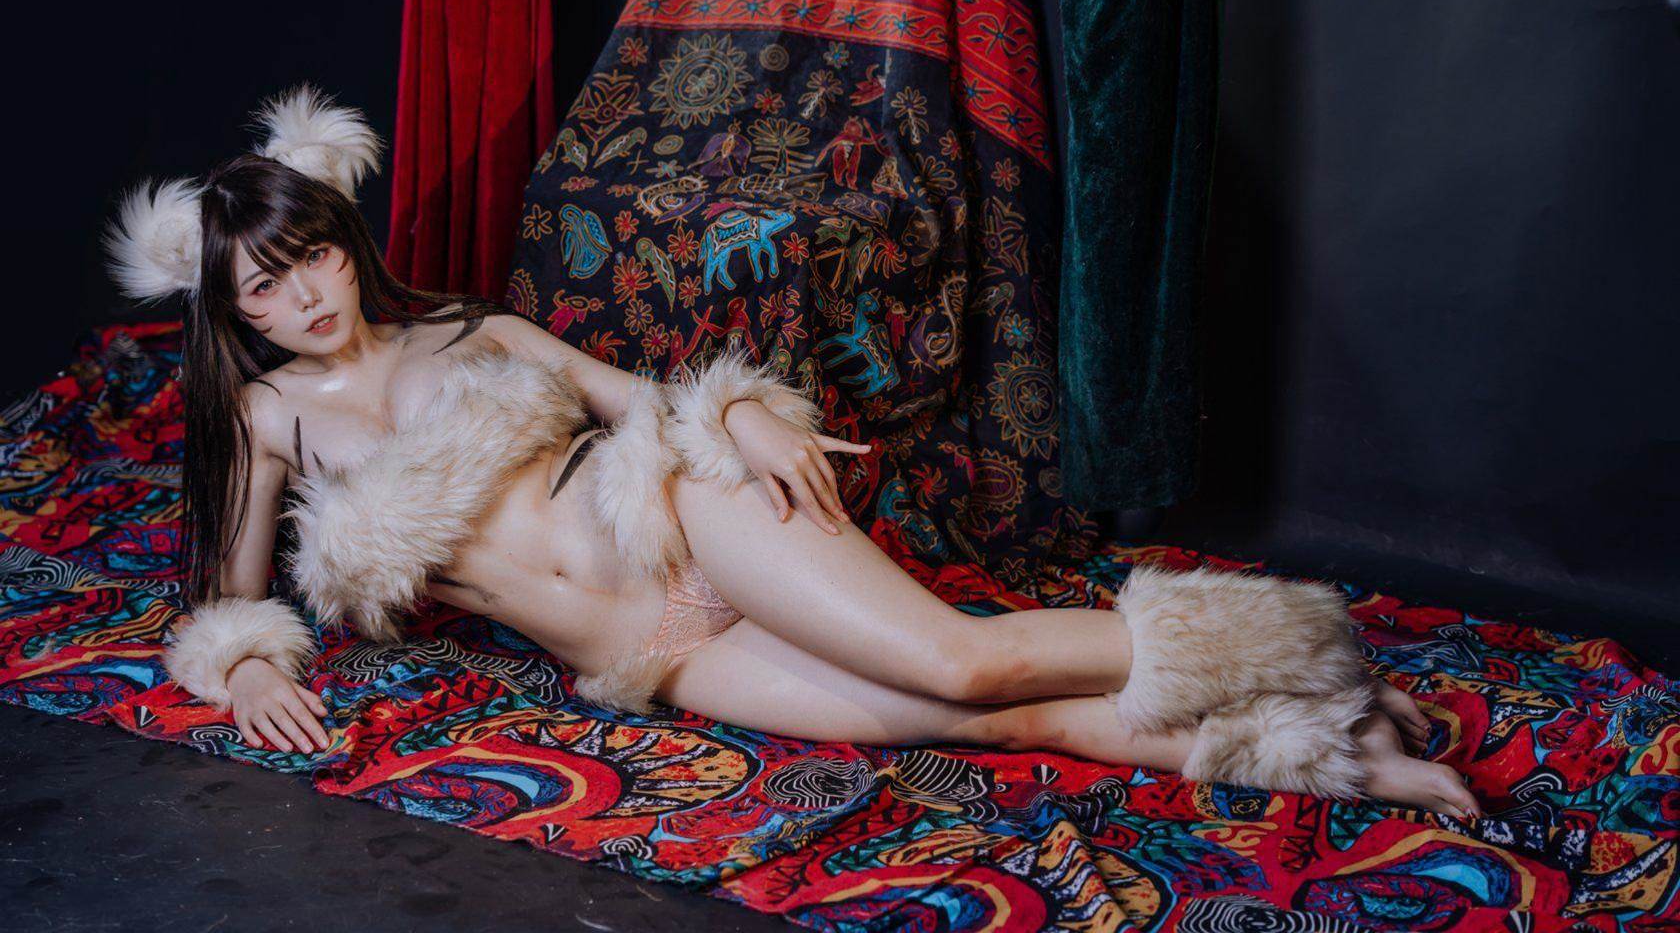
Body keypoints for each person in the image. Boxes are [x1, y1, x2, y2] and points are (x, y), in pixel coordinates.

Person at [102, 85, 1479, 818]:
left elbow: (642, 398)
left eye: (314, 257)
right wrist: (245, 664)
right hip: (647, 649)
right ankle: (1326, 746)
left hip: (678, 519)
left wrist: (743, 413)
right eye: (266, 286)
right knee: (986, 720)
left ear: (347, 244)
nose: (304, 295)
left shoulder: (476, 330)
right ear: (234, 310)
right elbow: (225, 594)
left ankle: (1313, 653)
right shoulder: (270, 421)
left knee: (965, 659)